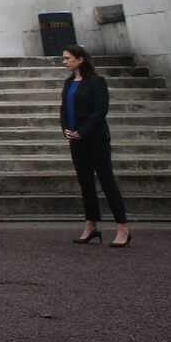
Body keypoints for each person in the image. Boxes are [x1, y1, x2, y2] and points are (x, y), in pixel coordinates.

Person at [60, 44, 130, 247]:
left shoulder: (96, 81)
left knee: (107, 181)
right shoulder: (69, 83)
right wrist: (66, 129)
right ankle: (91, 225)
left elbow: (100, 110)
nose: (65, 62)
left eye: (68, 58)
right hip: (76, 140)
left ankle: (122, 228)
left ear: (80, 59)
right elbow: (64, 110)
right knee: (86, 184)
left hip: (95, 139)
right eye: (64, 58)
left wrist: (82, 131)